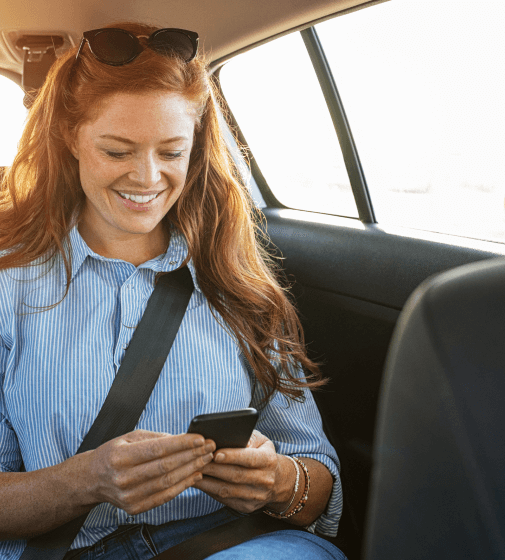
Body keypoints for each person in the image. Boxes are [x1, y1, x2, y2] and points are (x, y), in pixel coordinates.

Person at [0, 22, 344, 560]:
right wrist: (83, 481)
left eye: (171, 152)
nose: (148, 177)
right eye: (117, 151)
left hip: (225, 545)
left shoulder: (237, 282)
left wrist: (276, 480)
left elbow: (315, 484)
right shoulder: (9, 284)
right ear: (70, 137)